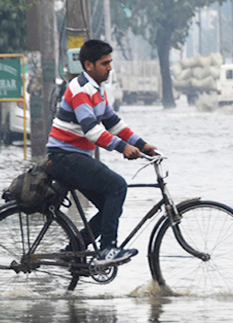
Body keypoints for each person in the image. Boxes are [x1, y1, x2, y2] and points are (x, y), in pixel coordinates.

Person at [46, 39, 157, 265]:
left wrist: (143, 144)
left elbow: (113, 123)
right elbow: (92, 131)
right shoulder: (79, 90)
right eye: (105, 63)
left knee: (110, 205)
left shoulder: (98, 90)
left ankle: (73, 250)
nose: (110, 68)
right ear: (88, 65)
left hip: (76, 158)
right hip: (64, 158)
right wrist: (123, 147)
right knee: (117, 186)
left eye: (110, 62)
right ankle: (108, 250)